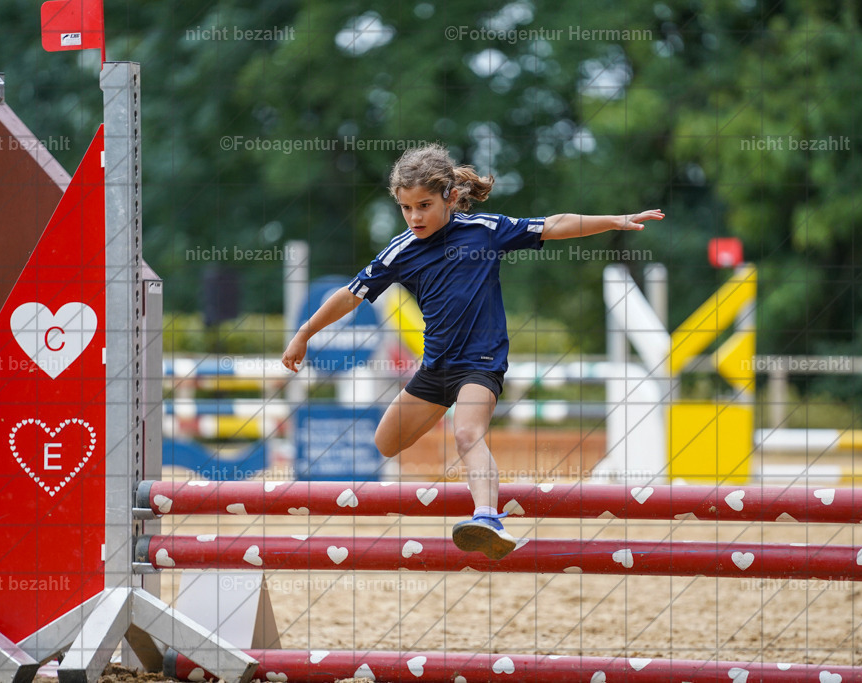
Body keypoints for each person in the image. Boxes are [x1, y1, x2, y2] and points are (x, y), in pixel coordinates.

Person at [282, 144, 663, 560]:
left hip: (481, 364)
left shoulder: (484, 229)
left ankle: (487, 517)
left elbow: (553, 225)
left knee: (466, 433)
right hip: (436, 368)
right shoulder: (400, 250)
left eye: (424, 205)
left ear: (449, 196)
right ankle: (484, 487)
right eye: (406, 208)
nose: (415, 218)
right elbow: (351, 295)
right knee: (386, 443)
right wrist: (305, 332)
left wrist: (614, 221)